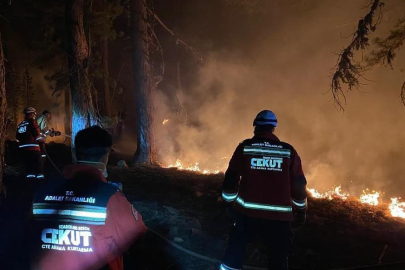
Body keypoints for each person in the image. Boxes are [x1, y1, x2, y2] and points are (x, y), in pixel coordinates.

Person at [28, 126, 146, 270]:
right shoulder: (110, 197)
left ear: (74, 153)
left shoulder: (43, 191)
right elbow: (137, 230)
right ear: (107, 156)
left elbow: (28, 235)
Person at [219, 110, 308, 270]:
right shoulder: (288, 151)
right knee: (278, 257)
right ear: (273, 128)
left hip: (247, 215)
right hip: (279, 219)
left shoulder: (245, 147)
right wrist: (301, 210)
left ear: (255, 127)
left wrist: (227, 203)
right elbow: (298, 183)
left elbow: (231, 178)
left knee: (235, 250)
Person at [16, 107, 45, 180]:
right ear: (31, 114)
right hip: (33, 147)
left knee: (29, 164)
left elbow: (17, 136)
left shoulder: (21, 124)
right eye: (34, 114)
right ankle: (40, 180)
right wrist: (42, 140)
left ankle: (30, 181)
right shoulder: (32, 122)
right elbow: (36, 133)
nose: (34, 115)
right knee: (38, 163)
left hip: (23, 149)